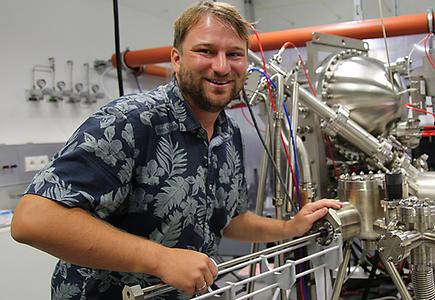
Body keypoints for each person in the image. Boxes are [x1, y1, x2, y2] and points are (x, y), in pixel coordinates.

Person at [11, 2, 342, 299]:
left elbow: (227, 218)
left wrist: (287, 228)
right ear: (176, 58)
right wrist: (161, 258)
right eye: (206, 51)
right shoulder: (132, 119)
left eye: (235, 54)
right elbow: (33, 220)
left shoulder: (228, 132)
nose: (222, 67)